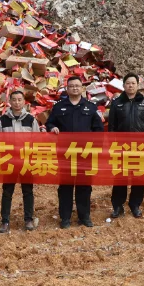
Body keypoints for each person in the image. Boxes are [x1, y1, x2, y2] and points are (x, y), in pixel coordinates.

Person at [45, 76, 104, 228]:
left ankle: (84, 217)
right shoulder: (59, 107)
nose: (75, 88)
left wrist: (96, 149)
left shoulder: (91, 107)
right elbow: (49, 122)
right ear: (67, 89)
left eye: (77, 86)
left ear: (82, 88)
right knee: (65, 186)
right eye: (71, 86)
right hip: (65, 153)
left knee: (84, 185)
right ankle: (65, 218)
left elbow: (98, 130)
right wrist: (52, 127)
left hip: (85, 154)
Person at [108, 73, 144, 219]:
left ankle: (135, 205)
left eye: (133, 83)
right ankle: (117, 206)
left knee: (138, 178)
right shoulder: (117, 103)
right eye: (128, 83)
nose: (130, 86)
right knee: (120, 178)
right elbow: (112, 127)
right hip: (121, 148)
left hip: (140, 148)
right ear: (123, 86)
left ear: (137, 85)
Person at [0, 90, 42, 232]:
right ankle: (5, 221)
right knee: (7, 191)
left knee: (28, 190)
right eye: (14, 100)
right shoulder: (2, 120)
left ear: (24, 102)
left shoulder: (31, 120)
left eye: (20, 100)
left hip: (26, 161)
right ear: (9, 101)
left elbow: (37, 141)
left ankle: (28, 219)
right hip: (8, 161)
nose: (17, 102)